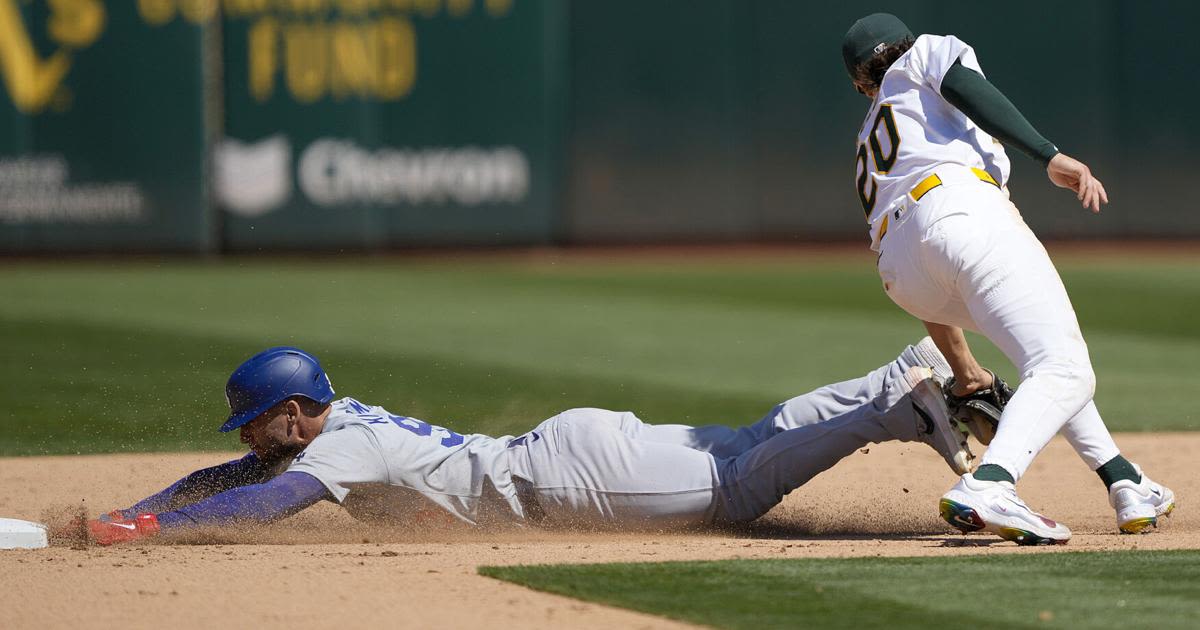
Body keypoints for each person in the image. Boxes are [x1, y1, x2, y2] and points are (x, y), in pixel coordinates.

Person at [87, 341, 976, 544]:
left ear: (288, 415)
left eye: (253, 421)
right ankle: (891, 384)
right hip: (568, 448)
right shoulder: (338, 419)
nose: (249, 438)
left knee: (737, 491)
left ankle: (899, 406)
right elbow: (233, 472)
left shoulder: (336, 455)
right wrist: (142, 508)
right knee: (739, 447)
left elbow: (270, 496)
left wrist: (159, 532)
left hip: (567, 478)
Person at [840, 13, 1175, 545]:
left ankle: (1125, 483)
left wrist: (964, 369)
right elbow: (969, 89)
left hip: (902, 273)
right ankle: (993, 484)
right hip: (961, 212)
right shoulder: (923, 54)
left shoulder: (871, 140)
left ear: (861, 84)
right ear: (902, 47)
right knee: (1065, 369)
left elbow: (919, 244)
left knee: (1041, 360)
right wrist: (1049, 155)